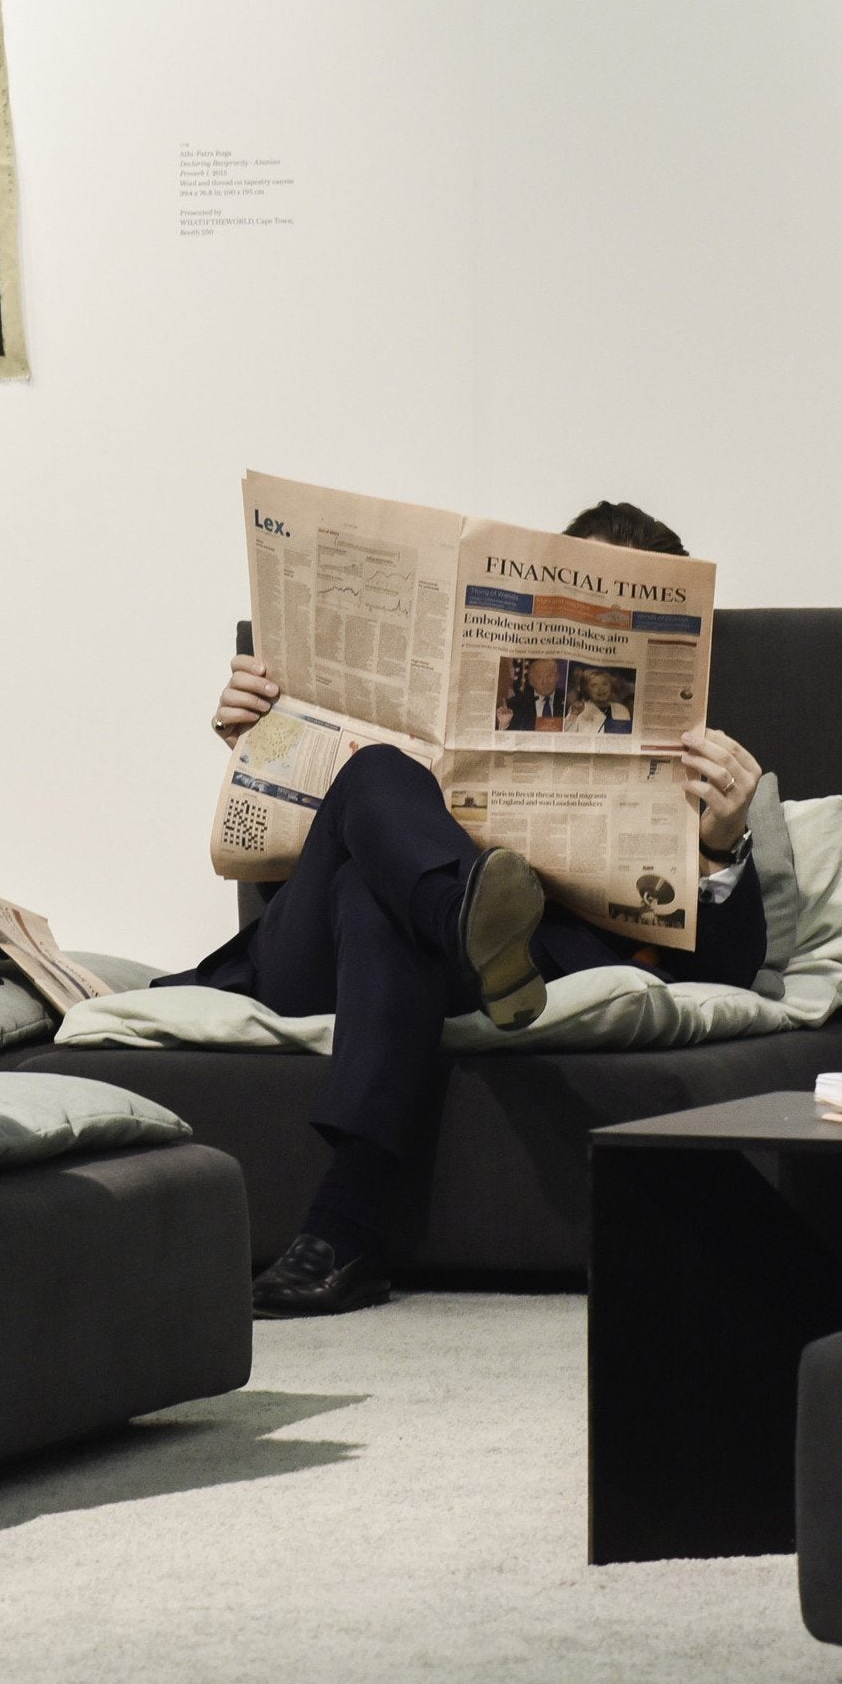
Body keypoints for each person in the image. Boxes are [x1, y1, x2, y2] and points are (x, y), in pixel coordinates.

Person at [157, 500, 768, 1317]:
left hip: (449, 963)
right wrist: (261, 743)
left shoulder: (694, 776)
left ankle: (342, 1229)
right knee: (377, 771)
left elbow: (728, 976)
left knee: (375, 900)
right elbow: (280, 863)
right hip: (312, 959)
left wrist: (725, 846)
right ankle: (462, 915)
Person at [499, 656, 568, 731]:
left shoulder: (568, 701)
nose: (545, 682)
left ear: (557, 677)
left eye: (549, 676)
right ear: (531, 681)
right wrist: (503, 724)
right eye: (539, 677)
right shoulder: (515, 705)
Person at [564, 664, 634, 736]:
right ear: (586, 689)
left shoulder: (622, 709)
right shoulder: (578, 710)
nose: (601, 688)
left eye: (605, 684)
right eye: (594, 685)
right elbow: (567, 734)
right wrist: (573, 715)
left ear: (611, 686)